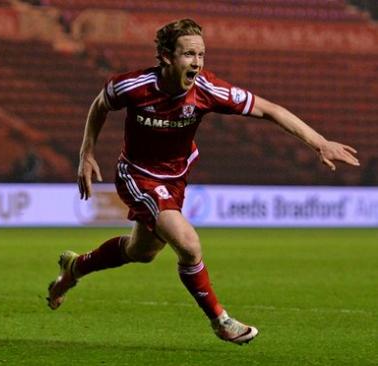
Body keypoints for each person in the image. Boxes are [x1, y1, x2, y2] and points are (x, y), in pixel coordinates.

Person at [46, 19, 359, 344]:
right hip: (137, 175)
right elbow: (99, 106)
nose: (197, 62)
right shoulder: (132, 87)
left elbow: (270, 109)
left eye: (201, 55)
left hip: (176, 178)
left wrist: (319, 142)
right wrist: (86, 153)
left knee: (141, 252)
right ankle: (220, 320)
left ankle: (74, 268)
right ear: (166, 57)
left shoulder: (207, 90)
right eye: (189, 54)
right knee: (189, 245)